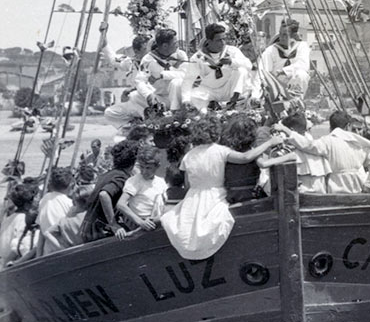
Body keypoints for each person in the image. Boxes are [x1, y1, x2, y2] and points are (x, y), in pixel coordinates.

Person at [160, 115, 283, 260]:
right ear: (216, 133)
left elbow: (188, 185)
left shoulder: (188, 156)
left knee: (182, 223)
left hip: (193, 197)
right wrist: (270, 143)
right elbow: (245, 157)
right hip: (215, 195)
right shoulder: (220, 151)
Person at [277, 109, 370, 194]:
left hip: (334, 192)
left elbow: (307, 145)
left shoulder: (327, 142)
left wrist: (287, 131)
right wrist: (369, 187)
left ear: (330, 127)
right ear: (348, 126)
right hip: (358, 190)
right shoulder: (358, 143)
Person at [182, 23, 253, 111]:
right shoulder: (198, 57)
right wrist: (186, 99)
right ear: (209, 41)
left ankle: (233, 103)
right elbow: (189, 79)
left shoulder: (232, 51)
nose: (223, 43)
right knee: (194, 97)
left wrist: (232, 62)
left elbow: (249, 65)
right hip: (209, 90)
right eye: (219, 40)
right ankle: (211, 105)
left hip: (228, 89)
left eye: (224, 39)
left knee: (241, 70)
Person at [79, 140, 140, 242]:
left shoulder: (108, 174)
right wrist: (114, 224)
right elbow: (104, 194)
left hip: (88, 226)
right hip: (98, 230)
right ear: (133, 163)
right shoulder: (121, 177)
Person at [116, 146, 167, 235]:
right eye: (142, 167)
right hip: (140, 225)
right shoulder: (135, 181)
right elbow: (121, 204)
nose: (144, 171)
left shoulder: (161, 182)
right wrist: (140, 222)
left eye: (148, 168)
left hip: (155, 222)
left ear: (157, 166)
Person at [102, 34, 151, 128]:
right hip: (136, 103)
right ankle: (136, 125)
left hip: (152, 101)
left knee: (134, 95)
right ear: (137, 51)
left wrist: (131, 90)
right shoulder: (130, 63)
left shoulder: (156, 61)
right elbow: (113, 59)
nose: (150, 52)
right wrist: (103, 38)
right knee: (110, 113)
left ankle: (149, 124)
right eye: (146, 49)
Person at [135, 28, 188, 113]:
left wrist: (162, 75)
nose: (177, 45)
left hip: (179, 97)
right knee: (134, 96)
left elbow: (185, 74)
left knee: (176, 82)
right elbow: (140, 81)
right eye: (175, 43)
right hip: (160, 98)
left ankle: (175, 112)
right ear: (165, 46)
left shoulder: (180, 55)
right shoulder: (148, 59)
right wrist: (148, 95)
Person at [258, 18, 311, 99]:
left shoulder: (302, 46)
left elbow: (303, 65)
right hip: (276, 84)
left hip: (294, 82)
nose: (281, 37)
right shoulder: (271, 50)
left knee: (302, 74)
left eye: (285, 35)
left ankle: (296, 102)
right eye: (280, 34)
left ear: (293, 35)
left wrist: (283, 71)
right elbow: (264, 71)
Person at [279, 111, 330, 194]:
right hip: (321, 193)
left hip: (302, 194)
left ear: (291, 130)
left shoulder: (289, 148)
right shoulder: (316, 145)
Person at [42, 185, 93, 253]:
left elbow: (47, 233)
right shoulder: (92, 216)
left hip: (74, 253)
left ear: (74, 202)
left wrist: (63, 249)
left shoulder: (64, 222)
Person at [36, 166, 74, 255]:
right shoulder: (70, 204)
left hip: (47, 250)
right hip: (64, 249)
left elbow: (41, 230)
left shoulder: (44, 199)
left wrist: (38, 254)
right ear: (70, 185)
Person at [0, 182, 38, 267]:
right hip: (9, 262)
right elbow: (17, 247)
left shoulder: (9, 218)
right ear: (28, 204)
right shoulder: (24, 220)